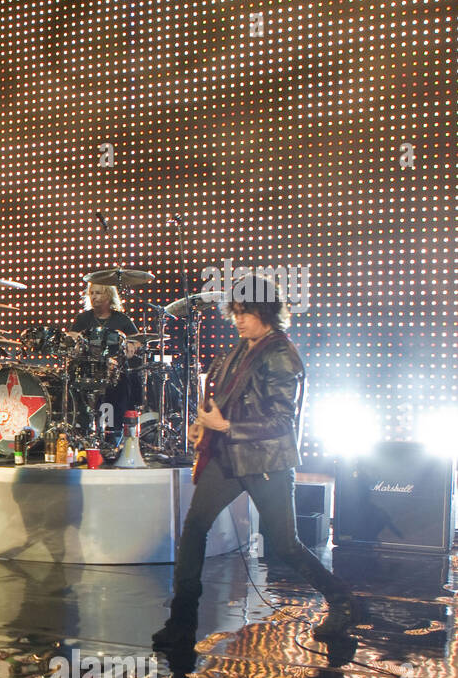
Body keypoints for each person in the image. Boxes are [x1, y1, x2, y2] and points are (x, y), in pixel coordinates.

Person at [152, 275, 359, 648]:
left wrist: (225, 426)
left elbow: (282, 422)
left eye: (246, 312)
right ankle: (181, 622)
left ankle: (342, 600)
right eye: (235, 312)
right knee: (194, 528)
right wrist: (204, 426)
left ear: (266, 312)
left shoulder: (281, 355)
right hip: (228, 457)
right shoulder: (240, 351)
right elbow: (222, 401)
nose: (238, 320)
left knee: (286, 545)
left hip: (266, 463)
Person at [68, 283, 142, 432]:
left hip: (115, 373)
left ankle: (113, 432)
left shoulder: (121, 319)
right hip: (87, 371)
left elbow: (138, 340)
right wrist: (74, 338)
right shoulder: (83, 318)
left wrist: (132, 346)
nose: (93, 296)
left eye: (98, 293)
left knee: (122, 390)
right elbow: (71, 338)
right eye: (91, 293)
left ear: (108, 296)